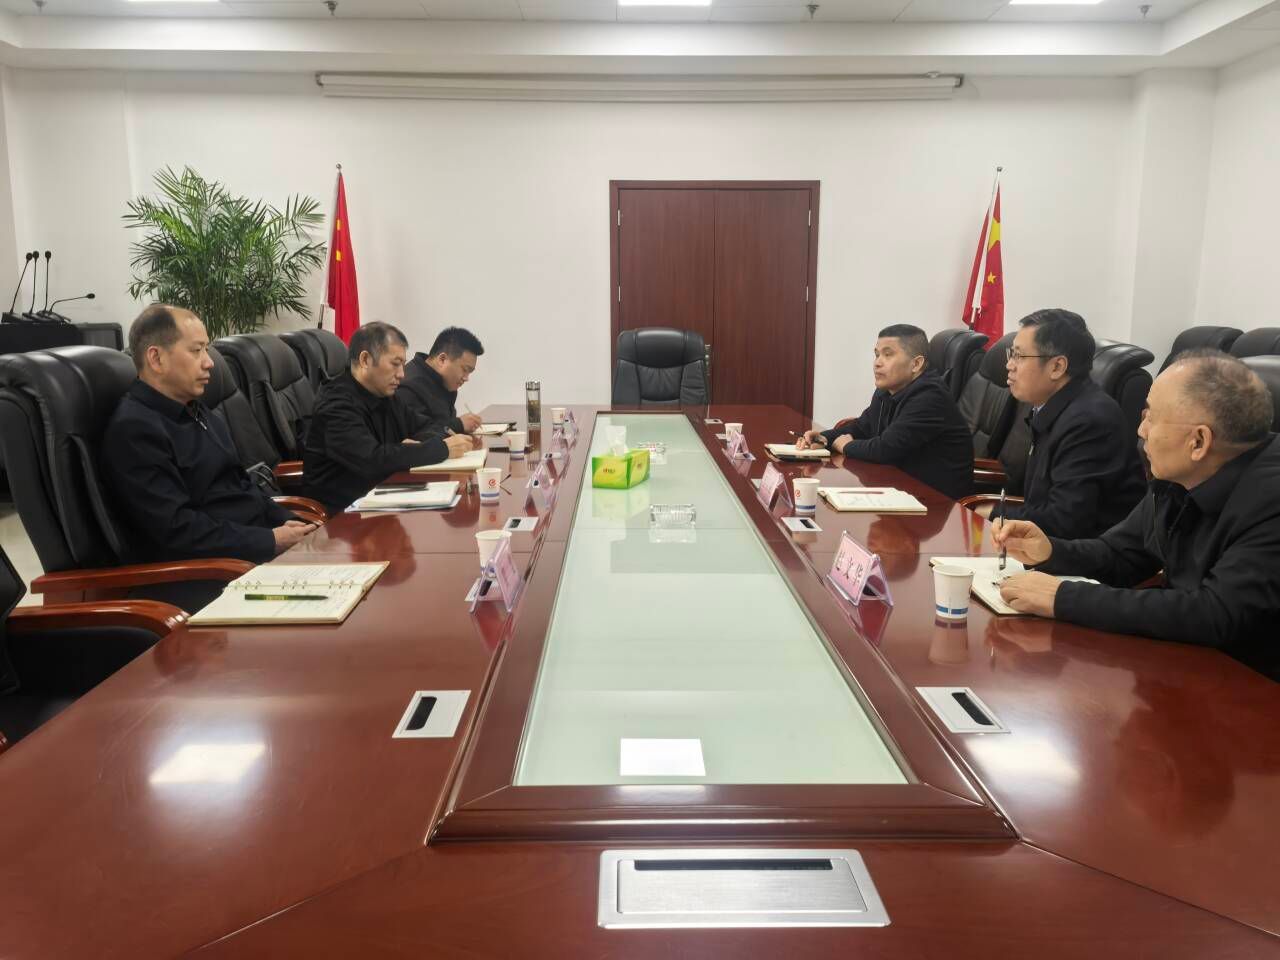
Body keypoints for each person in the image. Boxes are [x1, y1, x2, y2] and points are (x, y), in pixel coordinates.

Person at [995, 350, 1280, 682]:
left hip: (1250, 687)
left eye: (1151, 417)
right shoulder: (1178, 474)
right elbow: (1123, 553)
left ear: (1198, 441)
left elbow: (1215, 614)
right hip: (1184, 665)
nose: (1141, 430)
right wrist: (1052, 552)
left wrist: (1063, 597)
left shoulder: (1270, 499)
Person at [101, 304, 315, 567]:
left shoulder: (195, 410)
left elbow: (242, 486)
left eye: (206, 349)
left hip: (252, 548)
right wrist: (269, 540)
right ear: (156, 359)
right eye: (196, 350)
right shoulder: (135, 430)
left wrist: (291, 523)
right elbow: (178, 531)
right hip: (216, 570)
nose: (209, 362)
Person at [993, 309, 1146, 538]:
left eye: (1019, 356)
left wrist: (994, 514)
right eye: (1011, 354)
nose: (1009, 365)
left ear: (1057, 367)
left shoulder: (1089, 421)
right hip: (1051, 545)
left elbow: (1064, 521)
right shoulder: (1051, 406)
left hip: (1087, 554)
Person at [303, 322, 477, 514]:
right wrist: (440, 449)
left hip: (383, 498)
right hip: (342, 514)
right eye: (395, 364)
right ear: (365, 360)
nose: (402, 374)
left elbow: (427, 426)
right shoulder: (336, 404)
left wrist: (415, 446)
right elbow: (372, 460)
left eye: (403, 364)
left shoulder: (385, 396)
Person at [797, 324, 974, 499]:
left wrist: (845, 446)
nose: (877, 363)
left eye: (888, 355)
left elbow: (885, 449)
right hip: (898, 490)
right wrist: (824, 438)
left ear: (916, 364)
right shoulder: (886, 391)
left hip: (935, 500)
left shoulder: (930, 397)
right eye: (877, 355)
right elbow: (862, 427)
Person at [400, 326, 485, 435]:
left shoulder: (443, 382)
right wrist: (458, 424)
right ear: (442, 359)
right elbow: (417, 437)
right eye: (465, 370)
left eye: (470, 372)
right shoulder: (409, 386)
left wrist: (460, 425)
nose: (466, 378)